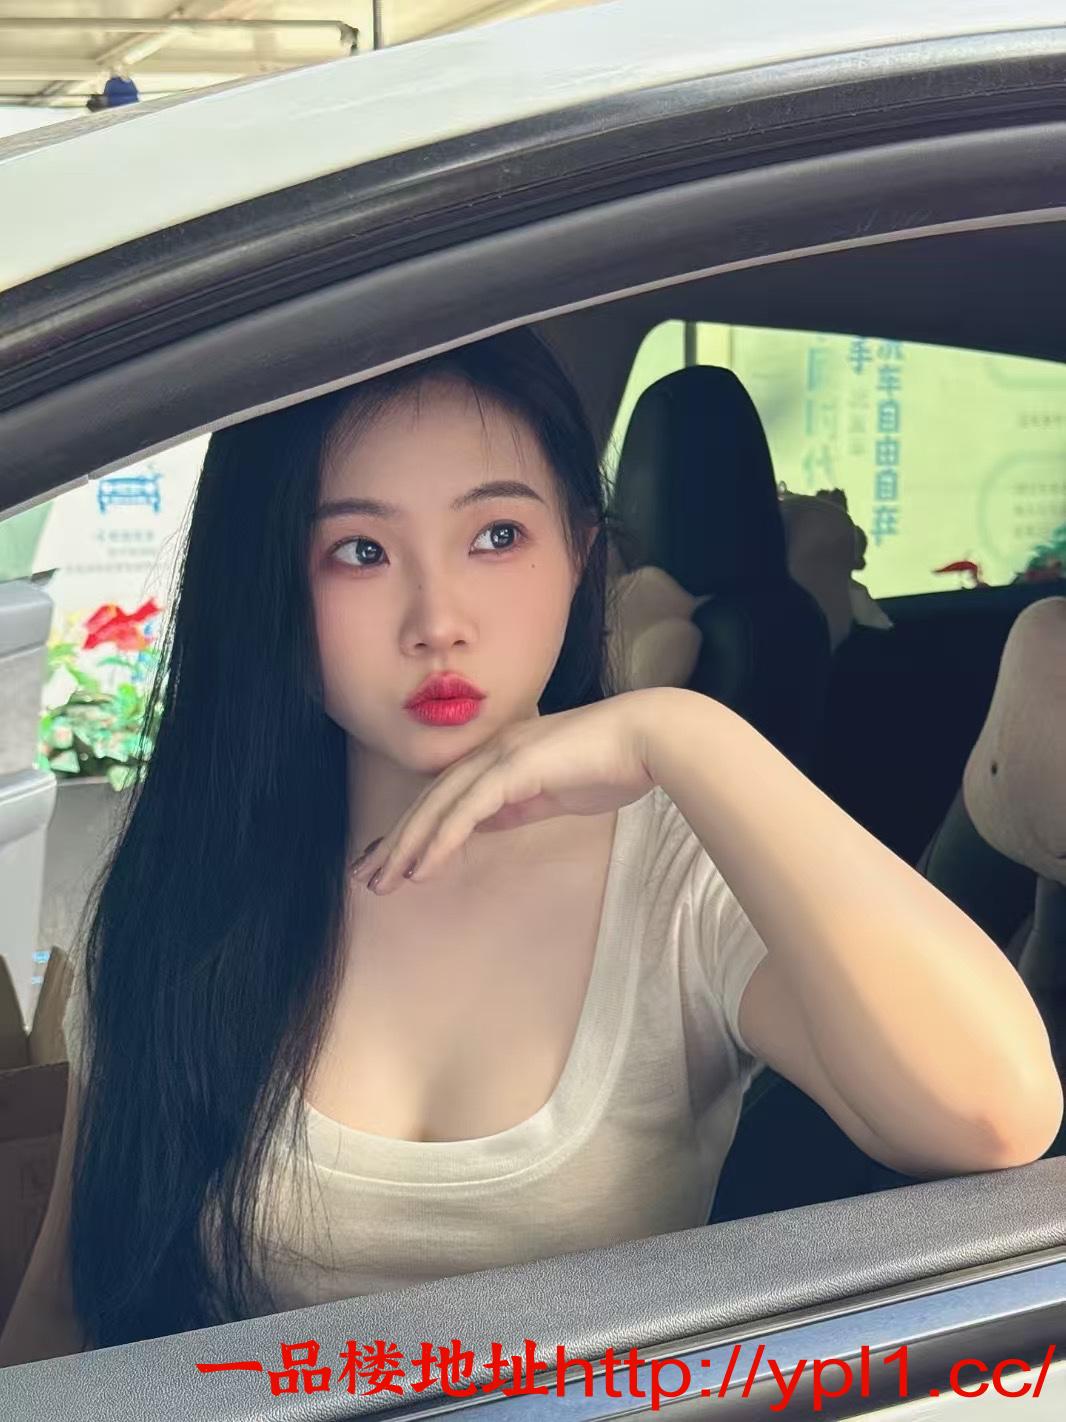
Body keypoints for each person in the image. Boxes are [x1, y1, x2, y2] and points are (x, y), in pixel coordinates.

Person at [1, 329, 1060, 1365]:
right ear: (270, 582)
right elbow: (65, 1312)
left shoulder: (678, 871)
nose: (438, 620)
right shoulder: (185, 874)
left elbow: (994, 1115)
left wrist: (684, 734)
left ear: (581, 557)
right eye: (360, 551)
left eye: (497, 536)